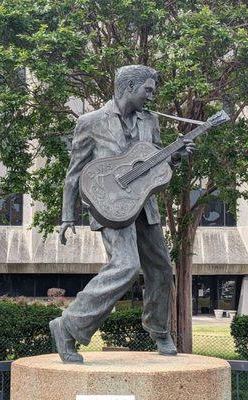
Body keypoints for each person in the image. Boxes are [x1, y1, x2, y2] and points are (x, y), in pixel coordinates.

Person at [50, 65, 195, 363]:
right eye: (148, 90)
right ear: (129, 87)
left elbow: (154, 163)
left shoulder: (150, 121)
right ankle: (67, 326)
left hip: (143, 206)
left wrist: (176, 156)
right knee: (127, 266)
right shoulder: (90, 122)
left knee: (161, 268)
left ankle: (158, 330)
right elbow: (73, 173)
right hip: (109, 204)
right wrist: (67, 216)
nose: (151, 96)